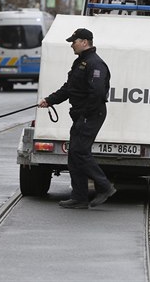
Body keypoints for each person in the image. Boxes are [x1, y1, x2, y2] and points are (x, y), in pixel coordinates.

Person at [38, 28, 116, 209]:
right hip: (83, 114)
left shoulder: (95, 64)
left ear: (84, 42)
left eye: (74, 41)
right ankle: (79, 197)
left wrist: (84, 112)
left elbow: (97, 93)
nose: (72, 44)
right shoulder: (81, 62)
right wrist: (49, 101)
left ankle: (105, 186)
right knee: (74, 154)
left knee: (80, 151)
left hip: (91, 114)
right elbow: (69, 88)